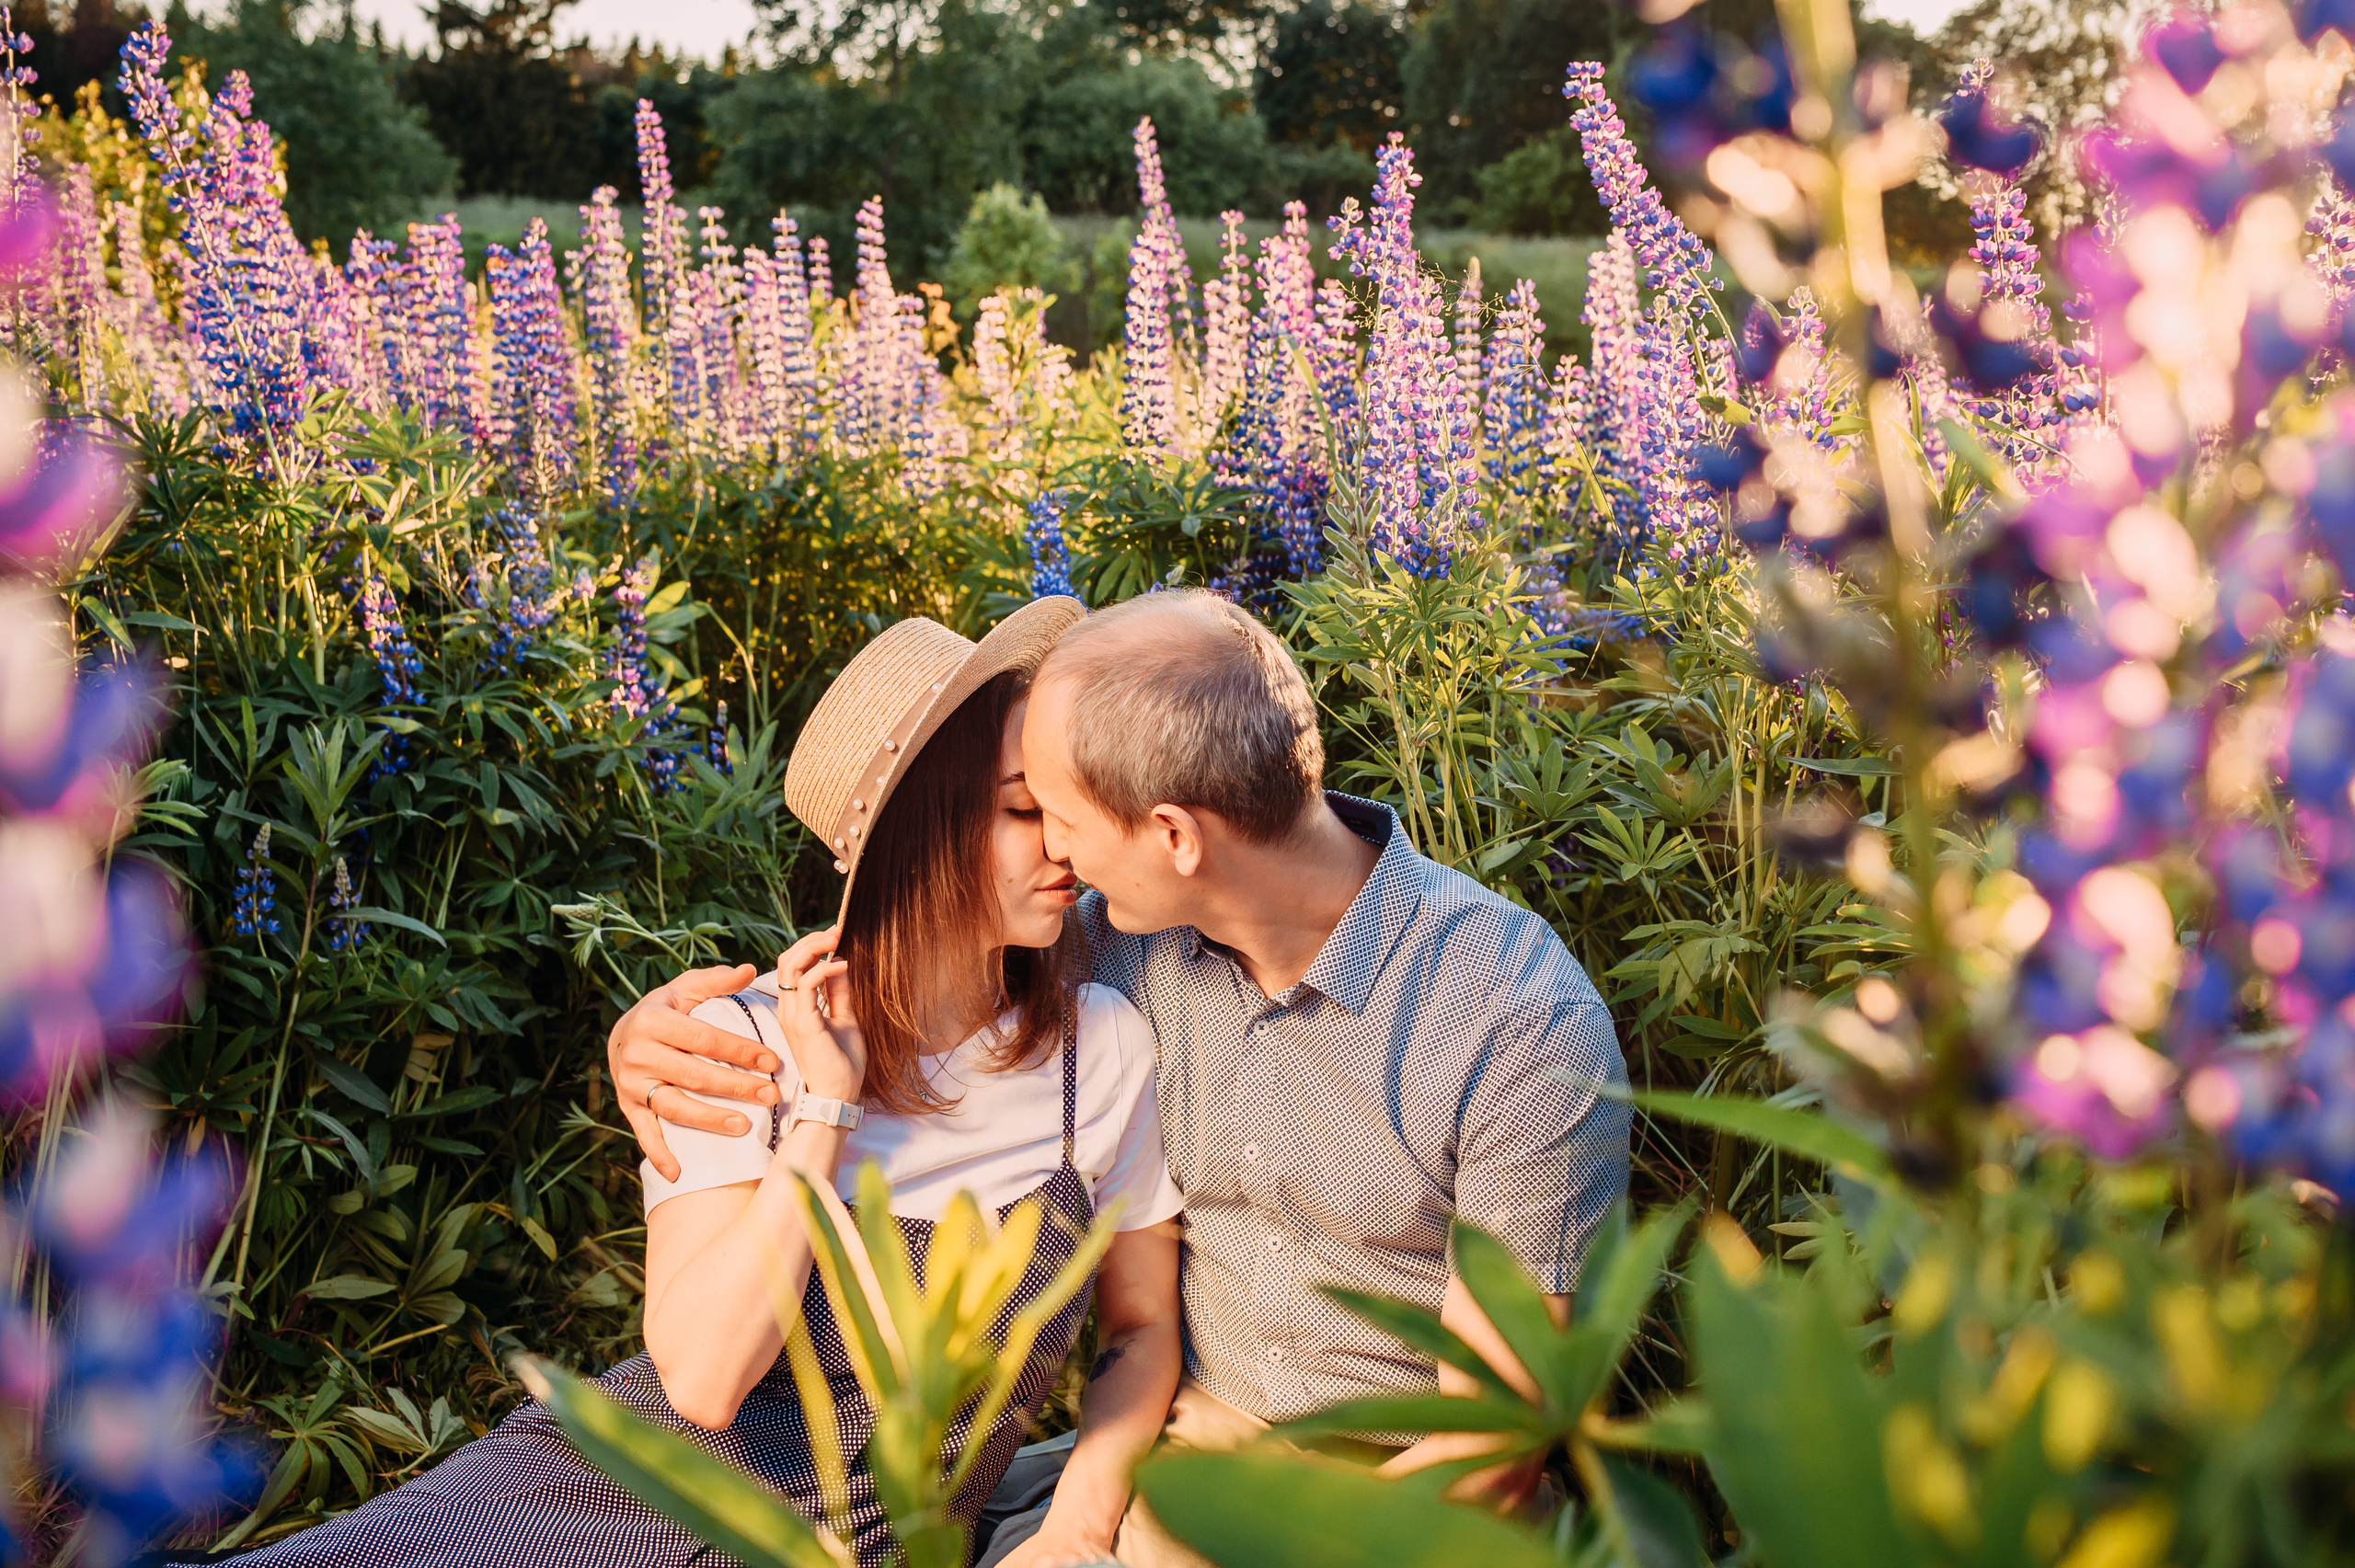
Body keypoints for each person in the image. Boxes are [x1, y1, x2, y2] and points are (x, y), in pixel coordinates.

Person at [611, 589, 1632, 1567]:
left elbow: (1492, 1444)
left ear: (1175, 837)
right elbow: (931, 945)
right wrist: (663, 1043)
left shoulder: (1516, 1020)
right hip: (1191, 1461)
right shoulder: (1128, 944)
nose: (1056, 849)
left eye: (1058, 812)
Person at [218, 596, 1186, 1568]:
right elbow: (707, 1380)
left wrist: (1073, 1528)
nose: (1065, 843)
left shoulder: (1095, 1048)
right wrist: (824, 1107)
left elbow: (1141, 1329)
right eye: (1027, 810)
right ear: (915, 836)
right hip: (607, 1492)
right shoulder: (740, 1039)